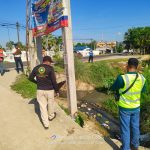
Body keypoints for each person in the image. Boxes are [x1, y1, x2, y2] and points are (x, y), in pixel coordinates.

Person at [111, 58, 146, 150]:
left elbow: (113, 87)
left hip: (124, 108)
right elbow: (143, 90)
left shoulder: (122, 78)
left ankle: (126, 148)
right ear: (137, 67)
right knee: (135, 127)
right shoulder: (142, 78)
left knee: (125, 129)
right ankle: (135, 146)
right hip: (136, 107)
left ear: (127, 65)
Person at [29, 56, 59, 129]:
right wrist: (57, 90)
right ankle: (51, 116)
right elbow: (54, 81)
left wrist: (37, 82)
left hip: (40, 90)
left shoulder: (36, 68)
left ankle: (46, 124)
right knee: (50, 104)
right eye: (50, 62)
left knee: (42, 107)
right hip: (50, 90)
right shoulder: (50, 68)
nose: (50, 64)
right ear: (47, 61)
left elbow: (30, 78)